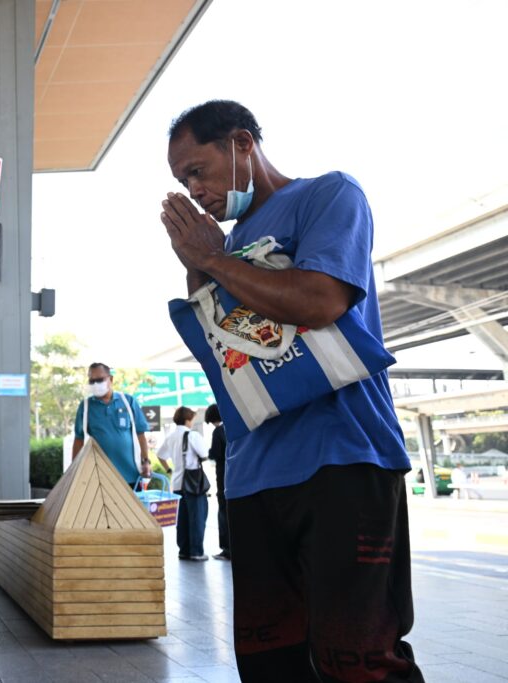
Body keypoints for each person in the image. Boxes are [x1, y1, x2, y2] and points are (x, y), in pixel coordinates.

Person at [160, 100, 423, 681]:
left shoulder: (328, 195)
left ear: (241, 143)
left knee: (357, 659)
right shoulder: (225, 245)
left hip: (344, 459)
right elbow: (224, 353)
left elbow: (319, 300)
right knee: (270, 661)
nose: (194, 190)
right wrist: (199, 265)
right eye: (183, 182)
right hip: (253, 476)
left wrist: (213, 259)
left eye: (198, 170)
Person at [72, 363, 151, 485]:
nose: (95, 384)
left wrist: (146, 461)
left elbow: (140, 434)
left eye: (100, 380)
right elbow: (78, 440)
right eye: (92, 381)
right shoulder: (86, 406)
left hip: (131, 476)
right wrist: (74, 471)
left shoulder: (128, 401)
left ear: (111, 379)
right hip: (99, 479)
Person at [157, 407, 209, 561]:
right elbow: (204, 454)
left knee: (182, 519)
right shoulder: (192, 435)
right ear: (187, 420)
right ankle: (196, 552)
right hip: (193, 484)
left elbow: (160, 455)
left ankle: (184, 550)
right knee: (197, 517)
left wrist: (169, 470)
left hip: (177, 483)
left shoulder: (170, 437)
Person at [205, 404, 230, 560]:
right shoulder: (231, 427)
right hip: (236, 474)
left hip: (223, 476)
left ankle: (227, 548)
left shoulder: (218, 431)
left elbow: (215, 453)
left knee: (223, 511)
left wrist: (207, 452)